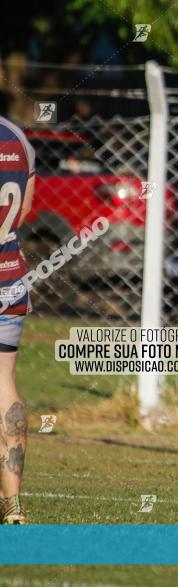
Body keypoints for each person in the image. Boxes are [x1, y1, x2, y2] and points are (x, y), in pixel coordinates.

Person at [0, 110, 36, 524]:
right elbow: (23, 210)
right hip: (8, 280)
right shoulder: (17, 137)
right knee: (5, 385)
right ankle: (13, 505)